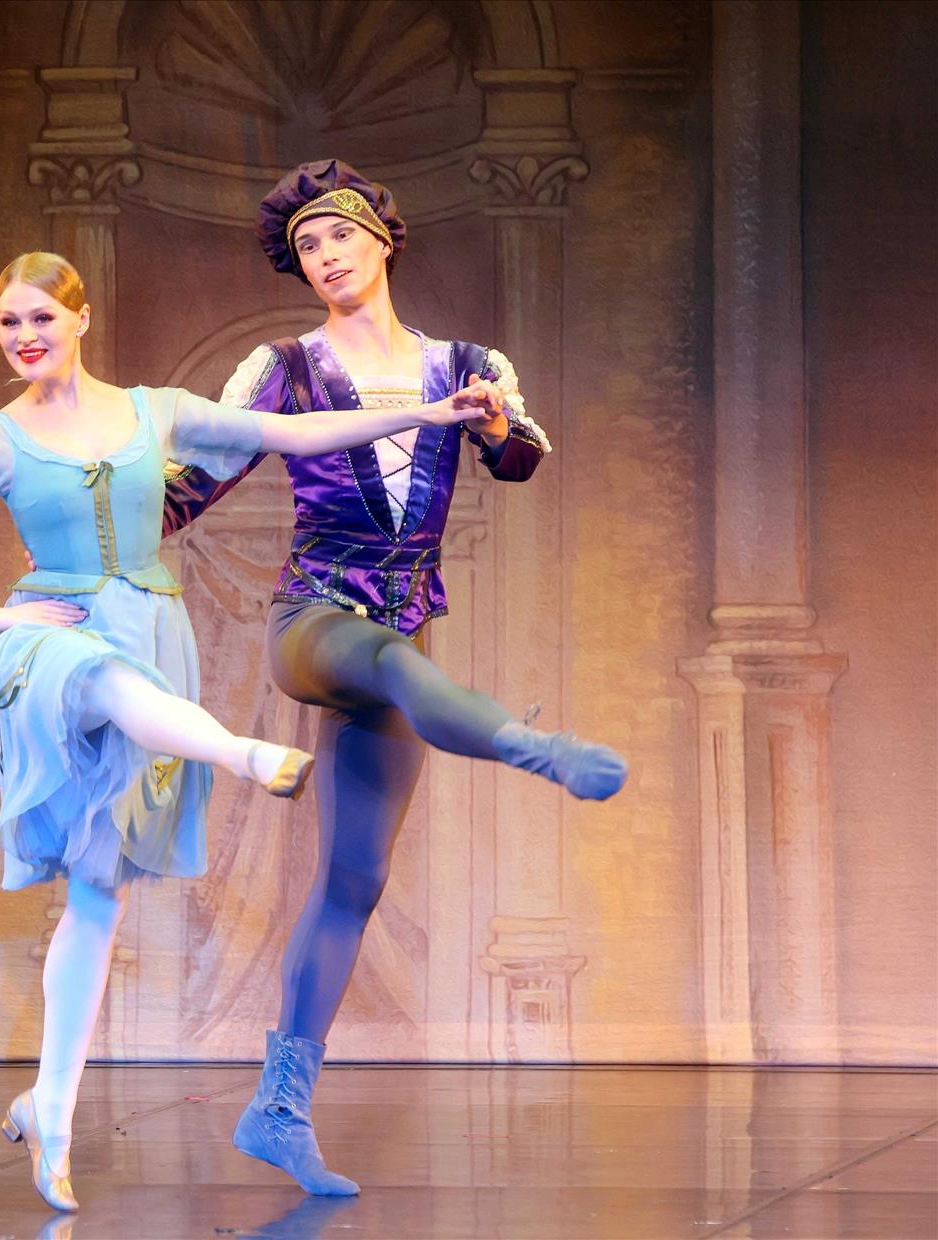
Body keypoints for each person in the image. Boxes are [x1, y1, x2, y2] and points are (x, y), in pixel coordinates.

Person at [0, 251, 487, 1211]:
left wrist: (428, 415)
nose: (24, 337)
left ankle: (49, 1104)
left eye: (40, 318)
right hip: (49, 637)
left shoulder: (156, 411)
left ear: (80, 319)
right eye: (9, 323)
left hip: (152, 635)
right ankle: (240, 752)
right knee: (98, 679)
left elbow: (294, 430)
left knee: (96, 891)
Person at [160, 160, 629, 1195]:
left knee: (355, 878)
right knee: (384, 661)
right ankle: (528, 744)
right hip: (313, 621)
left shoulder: (465, 364)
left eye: (340, 235)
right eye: (308, 247)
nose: (326, 256)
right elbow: (193, 483)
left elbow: (519, 458)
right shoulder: (284, 367)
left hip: (401, 632)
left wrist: (491, 421)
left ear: (381, 240)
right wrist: (90, 525)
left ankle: (278, 1107)